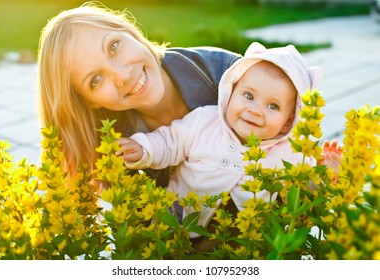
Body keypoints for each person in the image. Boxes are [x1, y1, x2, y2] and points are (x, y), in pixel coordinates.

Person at [117, 42, 324, 234]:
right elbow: (169, 142)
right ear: (231, 91)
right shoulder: (205, 121)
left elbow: (304, 188)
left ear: (289, 121)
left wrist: (326, 173)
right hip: (179, 223)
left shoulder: (289, 152)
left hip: (243, 239)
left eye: (273, 106)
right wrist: (143, 149)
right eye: (249, 96)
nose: (255, 111)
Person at [36, 2, 241, 185]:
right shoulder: (117, 155)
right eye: (95, 80)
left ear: (129, 32)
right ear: (90, 102)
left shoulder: (227, 72)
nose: (122, 75)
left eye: (113, 46)